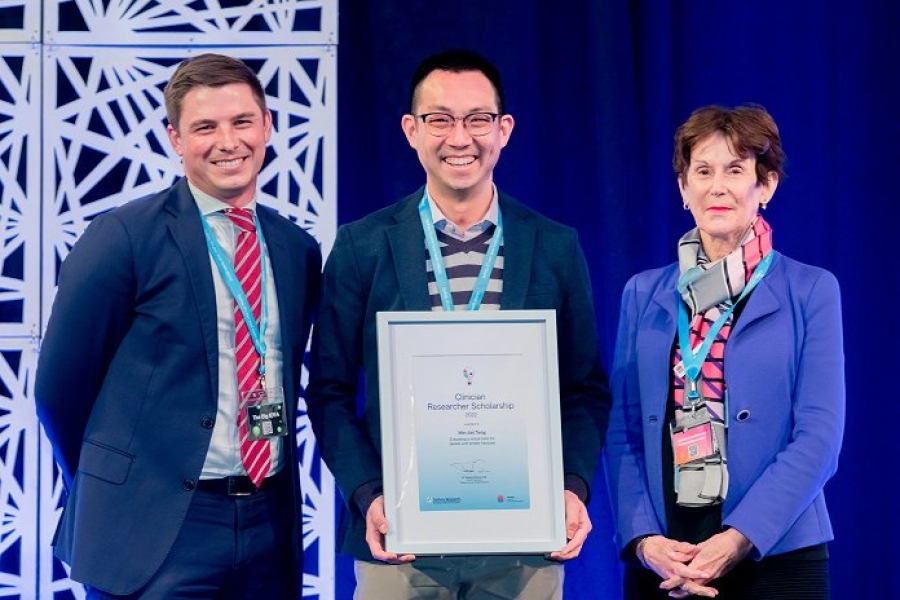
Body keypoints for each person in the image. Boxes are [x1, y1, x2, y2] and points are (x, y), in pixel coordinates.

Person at [305, 49, 611, 598]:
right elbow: (328, 392)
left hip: (521, 543)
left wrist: (571, 489)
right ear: (411, 129)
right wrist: (371, 496)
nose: (460, 138)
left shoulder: (554, 246)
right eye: (440, 119)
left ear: (504, 129)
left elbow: (585, 390)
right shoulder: (362, 245)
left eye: (478, 119)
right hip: (398, 542)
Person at [34, 53, 321, 598]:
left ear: (267, 126)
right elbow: (58, 390)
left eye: (241, 122)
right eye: (204, 127)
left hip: (266, 523)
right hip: (154, 527)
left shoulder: (296, 249)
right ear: (175, 139)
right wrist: (115, 481)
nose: (227, 141)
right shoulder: (121, 237)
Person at [605, 104, 845, 599]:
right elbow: (622, 430)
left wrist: (740, 538)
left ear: (767, 186)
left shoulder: (811, 290)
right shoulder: (641, 293)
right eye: (703, 171)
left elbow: (819, 437)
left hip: (776, 554)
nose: (718, 186)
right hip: (665, 560)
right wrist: (644, 539)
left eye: (736, 170)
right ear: (683, 188)